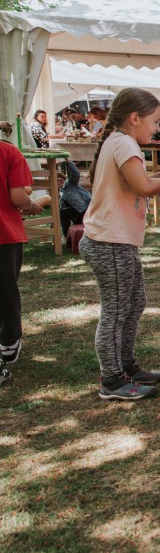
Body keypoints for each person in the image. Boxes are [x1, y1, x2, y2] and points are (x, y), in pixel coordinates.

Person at [80, 87, 160, 400]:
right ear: (134, 118)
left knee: (135, 302)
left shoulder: (119, 141)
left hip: (114, 241)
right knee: (116, 312)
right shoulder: (125, 144)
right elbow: (143, 186)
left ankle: (125, 365)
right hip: (109, 242)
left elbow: (137, 179)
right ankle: (112, 380)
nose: (158, 128)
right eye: (155, 122)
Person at [1, 138, 42, 385]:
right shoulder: (8, 152)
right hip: (4, 233)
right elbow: (18, 197)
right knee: (5, 289)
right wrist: (31, 204)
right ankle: (8, 342)